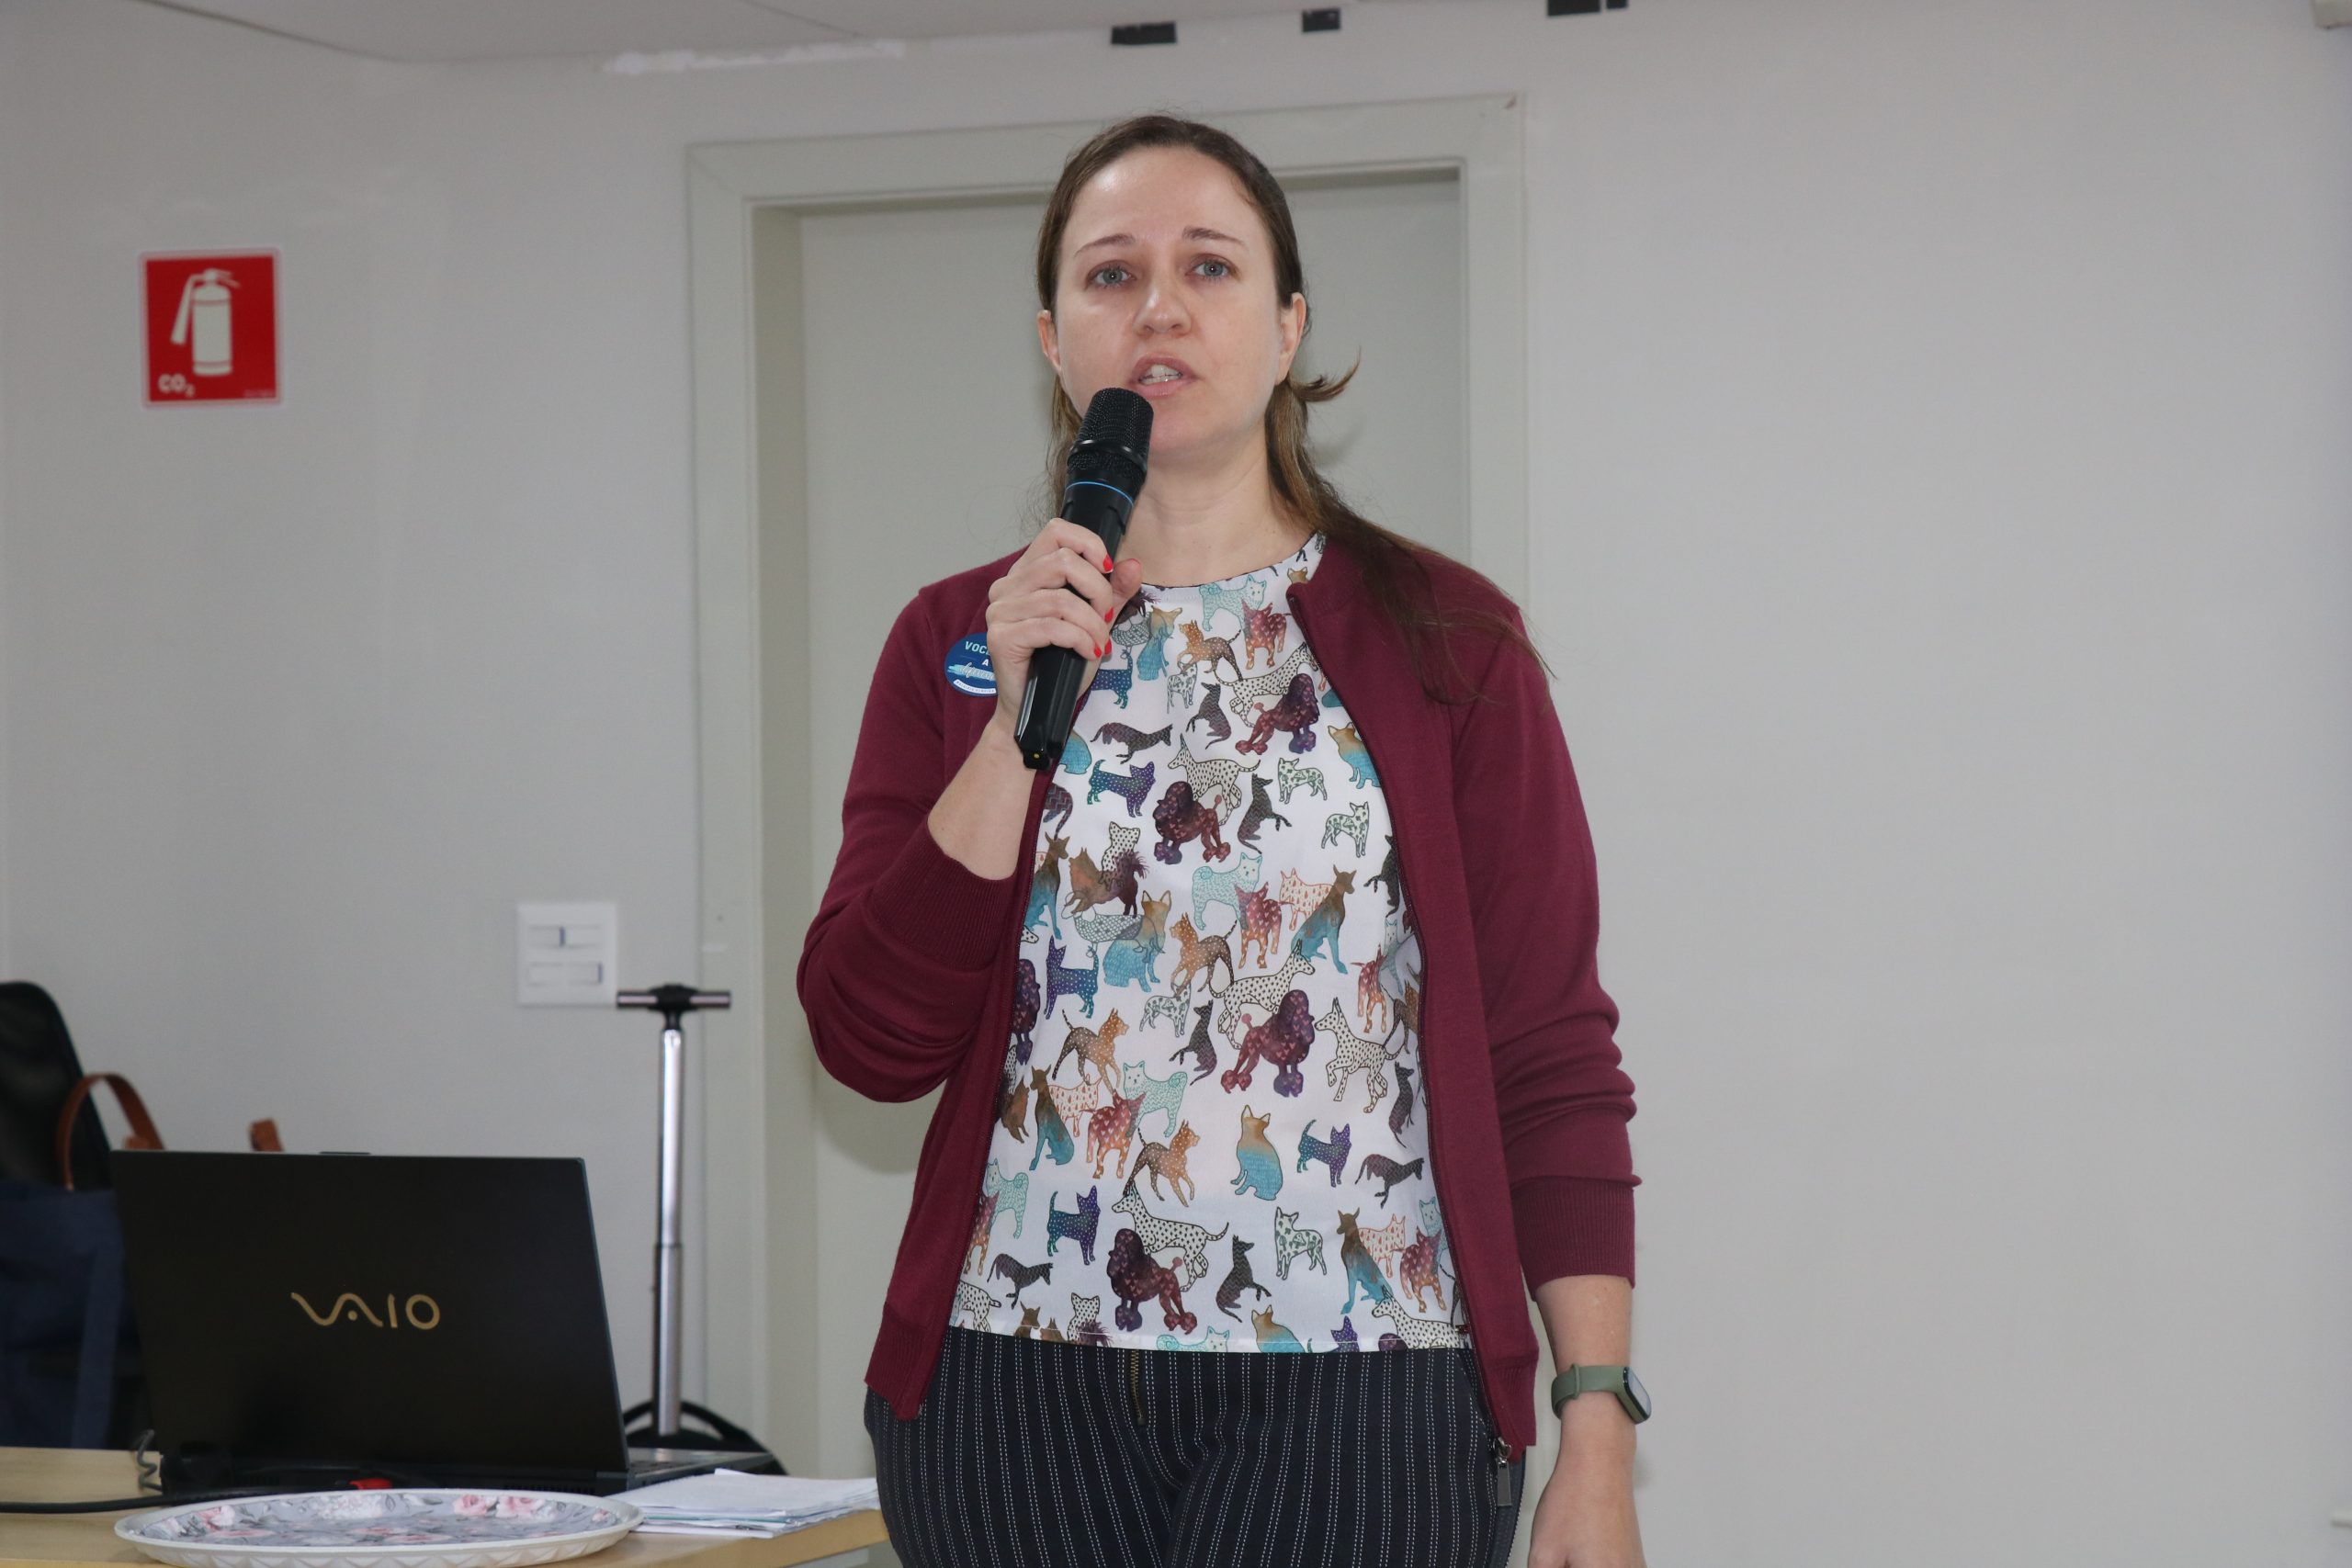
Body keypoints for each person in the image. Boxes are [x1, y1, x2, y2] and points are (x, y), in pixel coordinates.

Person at [798, 112, 1646, 1568]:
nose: (1162, 308)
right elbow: (867, 1041)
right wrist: (1014, 731)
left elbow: (1549, 1048)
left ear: (1288, 323)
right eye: (1112, 275)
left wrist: (1594, 1419)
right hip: (1012, 1388)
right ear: (1054, 338)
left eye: (1211, 266)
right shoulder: (957, 643)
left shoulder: (1449, 641)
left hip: (1370, 1388)